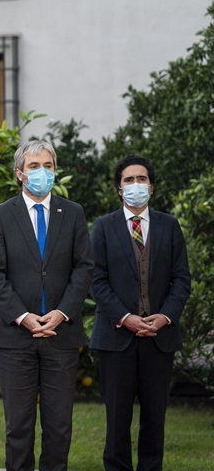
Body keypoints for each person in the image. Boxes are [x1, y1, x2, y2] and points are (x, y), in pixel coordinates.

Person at [0, 140, 94, 471]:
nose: (42, 172)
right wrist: (23, 317)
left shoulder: (73, 213)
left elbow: (84, 268)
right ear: (20, 174)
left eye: (48, 165)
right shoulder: (0, 215)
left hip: (62, 337)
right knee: (18, 429)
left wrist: (61, 313)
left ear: (55, 170)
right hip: (15, 338)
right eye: (34, 166)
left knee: (59, 429)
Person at [89, 154, 191, 471]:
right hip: (116, 339)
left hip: (159, 340)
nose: (136, 185)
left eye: (142, 179)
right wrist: (125, 317)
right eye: (129, 180)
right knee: (117, 421)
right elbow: (97, 280)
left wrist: (164, 316)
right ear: (119, 190)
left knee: (154, 420)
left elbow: (181, 279)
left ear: (152, 186)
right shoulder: (103, 228)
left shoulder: (169, 226)